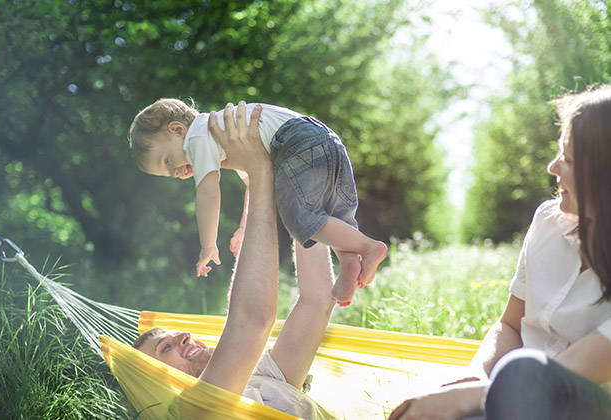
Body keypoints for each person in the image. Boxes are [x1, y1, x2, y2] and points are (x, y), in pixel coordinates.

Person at [389, 86, 611, 420]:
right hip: (513, 400)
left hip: (584, 406)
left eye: (567, 159)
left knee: (519, 372)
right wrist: (476, 375)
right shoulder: (547, 221)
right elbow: (509, 325)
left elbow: (555, 376)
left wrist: (472, 396)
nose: (552, 167)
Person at [133, 103, 336, 419]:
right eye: (166, 349)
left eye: (171, 337)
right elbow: (252, 320)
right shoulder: (194, 413)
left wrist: (301, 193)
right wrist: (259, 167)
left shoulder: (262, 380)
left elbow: (318, 300)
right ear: (159, 385)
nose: (184, 336)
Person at [127, 99, 387, 306]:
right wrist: (243, 227)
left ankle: (369, 246)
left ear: (177, 130)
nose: (175, 172)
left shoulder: (197, 136)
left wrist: (208, 244)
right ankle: (350, 261)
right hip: (323, 138)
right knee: (331, 214)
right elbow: (254, 183)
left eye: (168, 161)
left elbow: (207, 193)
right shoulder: (225, 137)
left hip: (297, 141)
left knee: (301, 218)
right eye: (169, 173)